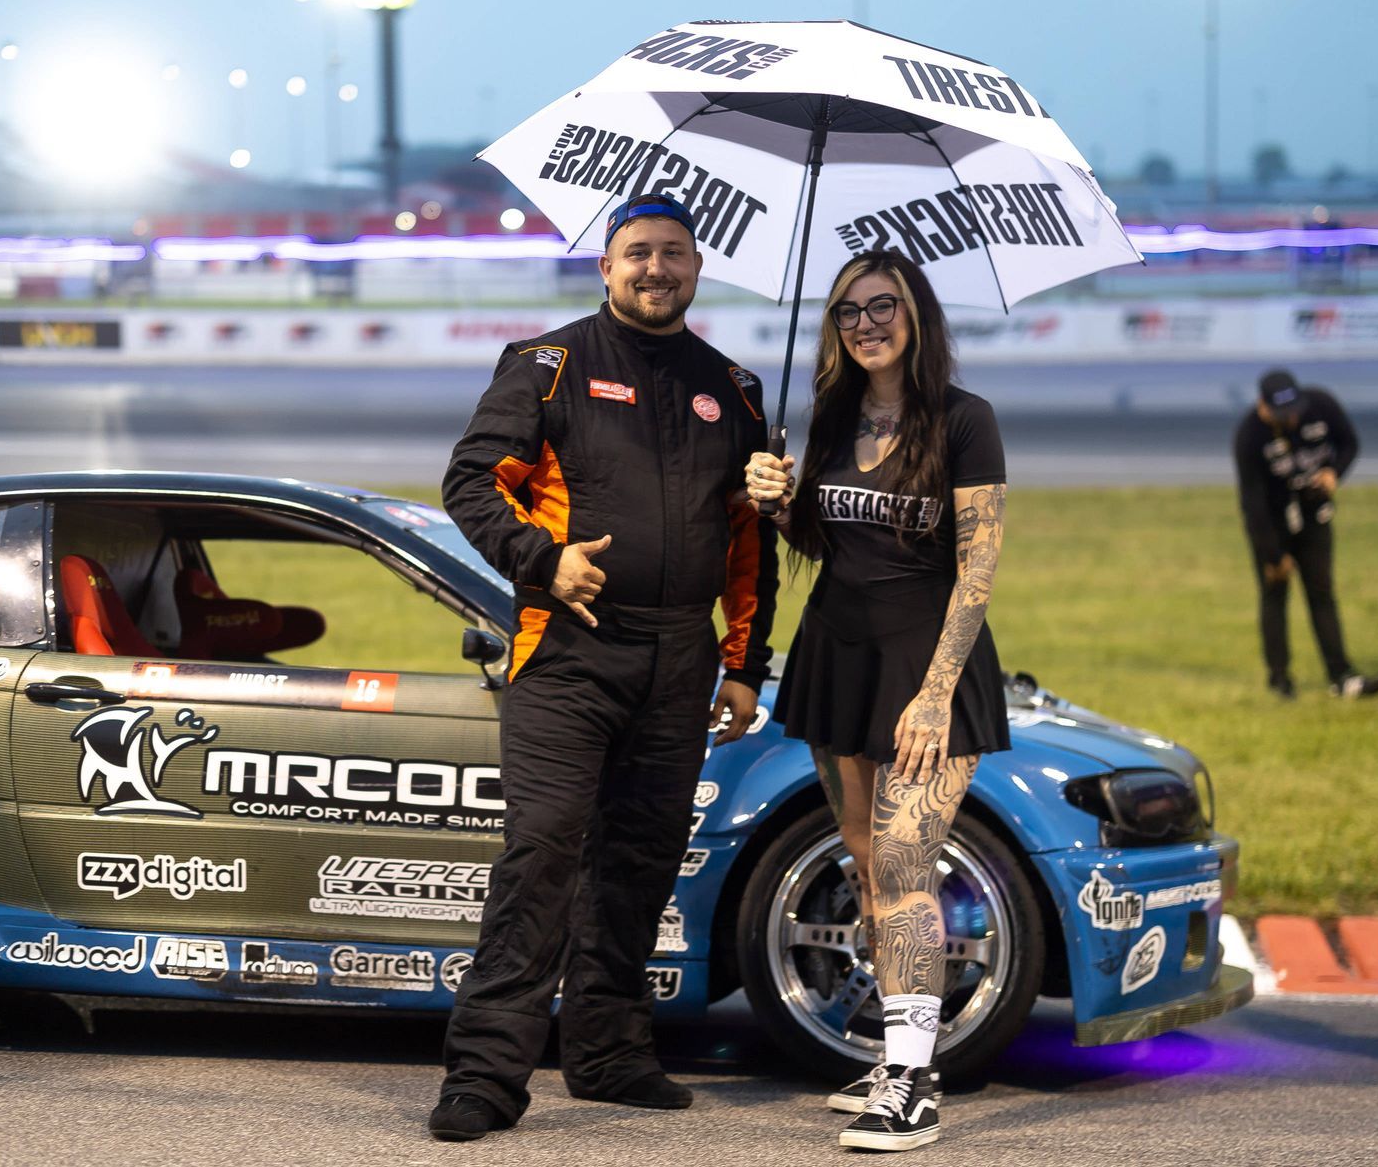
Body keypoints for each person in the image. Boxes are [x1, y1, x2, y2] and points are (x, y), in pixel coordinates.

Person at [428, 192, 778, 1142]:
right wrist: (544, 561)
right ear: (605, 267)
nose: (655, 269)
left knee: (639, 862)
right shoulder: (547, 365)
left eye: (673, 253)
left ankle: (611, 1054)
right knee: (542, 852)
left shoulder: (736, 389)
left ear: (697, 268)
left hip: (682, 660)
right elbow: (469, 480)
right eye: (637, 254)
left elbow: (749, 547)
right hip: (567, 648)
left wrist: (744, 666)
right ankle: (486, 1077)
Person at [745, 248, 1008, 1153]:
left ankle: (913, 1081)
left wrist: (936, 696)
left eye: (883, 306)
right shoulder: (830, 415)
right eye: (849, 311)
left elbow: (977, 568)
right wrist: (776, 501)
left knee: (902, 862)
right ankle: (896, 1047)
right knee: (864, 859)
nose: (865, 324)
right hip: (837, 656)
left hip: (926, 667)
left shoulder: (965, 421)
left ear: (917, 316)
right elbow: (821, 539)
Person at [1234, 369, 1378, 699]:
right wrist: (1274, 555)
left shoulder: (1321, 405)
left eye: (1293, 412)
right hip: (1272, 526)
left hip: (1314, 517)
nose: (1289, 419)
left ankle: (1342, 676)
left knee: (1322, 594)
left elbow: (1349, 443)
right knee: (1275, 594)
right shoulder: (1249, 436)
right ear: (1263, 405)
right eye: (1280, 413)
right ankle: (1280, 679)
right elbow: (1252, 503)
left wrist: (1335, 473)